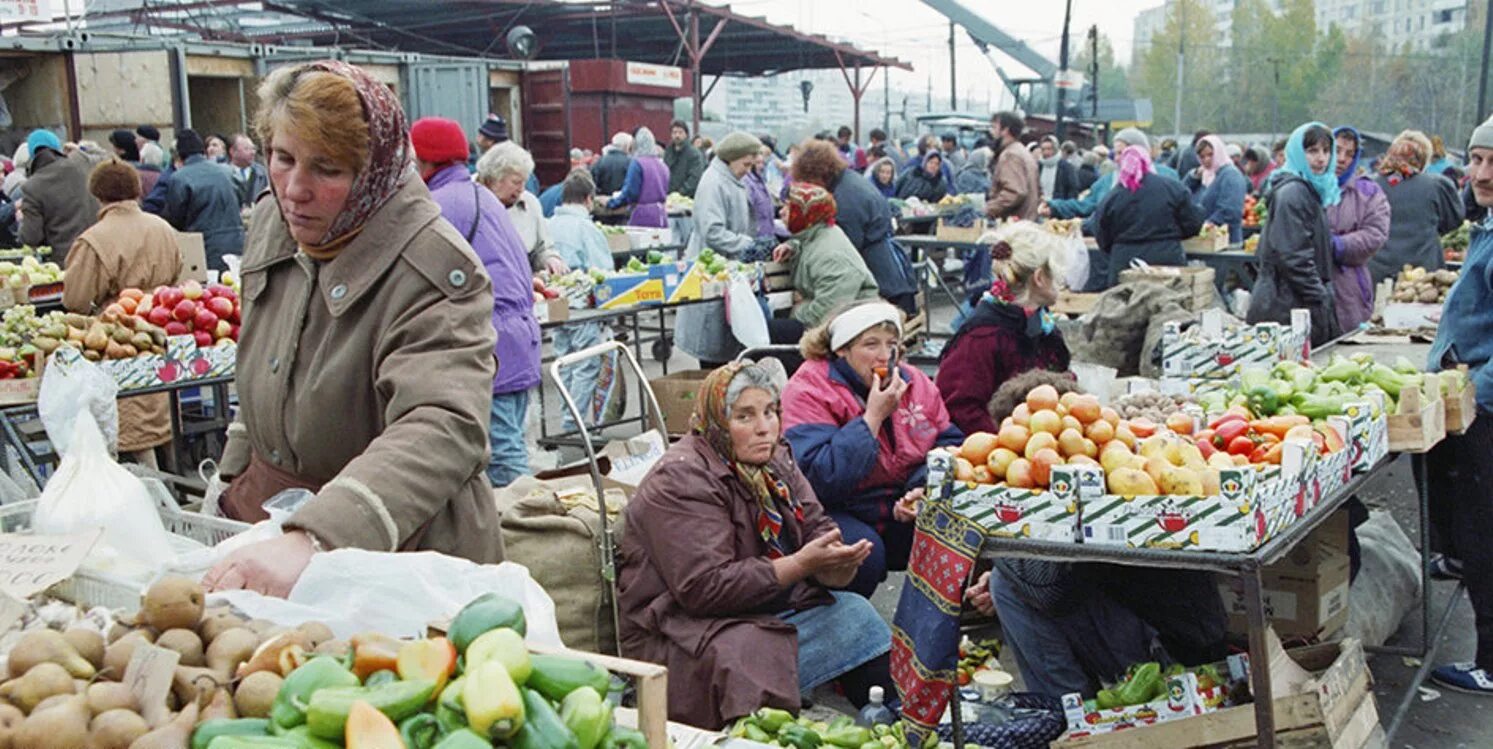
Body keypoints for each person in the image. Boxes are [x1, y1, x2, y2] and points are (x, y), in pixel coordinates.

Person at [204, 60, 503, 596]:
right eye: (283, 158)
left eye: (328, 169)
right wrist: (231, 480)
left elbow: (443, 424)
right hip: (272, 533)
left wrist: (318, 536)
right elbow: (268, 366)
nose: (295, 189)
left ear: (373, 173)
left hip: (402, 555)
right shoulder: (277, 223)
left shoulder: (433, 270)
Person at [619, 362, 892, 728]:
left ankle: (889, 719)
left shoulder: (774, 457)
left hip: (754, 607)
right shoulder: (680, 479)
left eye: (770, 412)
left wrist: (835, 565)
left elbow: (815, 524)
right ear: (717, 421)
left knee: (854, 613)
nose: (764, 428)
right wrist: (801, 564)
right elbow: (703, 588)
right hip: (683, 630)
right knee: (752, 655)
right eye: (744, 416)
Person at [780, 301, 962, 598]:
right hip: (834, 508)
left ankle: (943, 617)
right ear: (842, 349)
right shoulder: (809, 388)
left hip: (897, 502)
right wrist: (872, 418)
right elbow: (819, 478)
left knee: (962, 531)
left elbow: (949, 443)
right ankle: (835, 616)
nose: (884, 355)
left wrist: (920, 488)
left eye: (892, 344)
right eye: (871, 344)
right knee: (862, 555)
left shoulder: (914, 381)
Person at [412, 116, 539, 487]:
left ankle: (529, 520)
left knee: (503, 458)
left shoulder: (438, 205)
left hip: (491, 344)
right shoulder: (479, 196)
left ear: (422, 161)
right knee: (508, 445)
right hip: (517, 338)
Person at [1425, 115, 1493, 696]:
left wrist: (1473, 395)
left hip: (1485, 410)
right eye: (1476, 159)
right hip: (1473, 399)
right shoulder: (1487, 225)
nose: (1482, 173)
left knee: (1483, 532)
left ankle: (1490, 662)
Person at [62, 159, 182, 467]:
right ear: (136, 190)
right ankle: (178, 475)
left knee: (133, 416)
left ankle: (154, 484)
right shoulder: (163, 228)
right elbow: (179, 276)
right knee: (164, 406)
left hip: (122, 334)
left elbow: (75, 299)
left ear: (97, 194)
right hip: (163, 325)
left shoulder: (95, 239)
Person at [935, 222, 1072, 435]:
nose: (1062, 282)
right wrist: (1008, 440)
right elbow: (960, 407)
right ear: (1039, 278)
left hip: (1043, 439)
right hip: (1000, 447)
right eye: (1056, 274)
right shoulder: (982, 337)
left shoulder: (1041, 324)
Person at [677, 132, 778, 367]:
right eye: (746, 164)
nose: (748, 171)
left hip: (727, 269)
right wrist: (747, 244)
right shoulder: (713, 183)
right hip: (711, 269)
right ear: (732, 158)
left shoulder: (731, 180)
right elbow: (712, 231)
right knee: (712, 346)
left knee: (726, 346)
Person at [793, 140, 918, 315]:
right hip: (890, 267)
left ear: (817, 174)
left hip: (881, 275)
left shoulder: (845, 199)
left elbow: (847, 246)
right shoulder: (849, 180)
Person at [1247, 122, 1343, 346]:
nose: (1321, 159)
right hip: (1287, 305)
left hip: (1295, 299)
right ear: (1298, 153)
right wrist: (1319, 296)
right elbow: (1293, 256)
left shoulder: (1309, 189)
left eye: (1326, 151)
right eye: (1312, 151)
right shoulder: (1294, 193)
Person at [549, 170, 618, 429]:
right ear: (589, 199)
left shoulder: (548, 224)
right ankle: (573, 423)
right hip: (582, 306)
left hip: (554, 305)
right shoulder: (586, 228)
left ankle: (566, 419)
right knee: (586, 364)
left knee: (563, 362)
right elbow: (602, 272)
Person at [776, 182, 880, 346]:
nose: (781, 212)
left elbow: (826, 312)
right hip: (842, 323)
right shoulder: (819, 233)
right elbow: (808, 243)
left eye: (788, 208)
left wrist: (797, 309)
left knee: (768, 332)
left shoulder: (831, 257)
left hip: (852, 332)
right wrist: (793, 247)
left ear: (804, 214)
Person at [1091, 145, 1203, 288]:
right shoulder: (1172, 188)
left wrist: (1116, 247)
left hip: (1125, 261)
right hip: (1166, 257)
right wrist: (1174, 236)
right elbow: (1193, 222)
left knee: (1124, 300)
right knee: (1168, 299)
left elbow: (1101, 231)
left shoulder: (1112, 196)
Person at [1369, 130, 1464, 283]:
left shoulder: (1368, 185)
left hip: (1373, 276)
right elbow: (1454, 219)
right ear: (1424, 159)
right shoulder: (1437, 186)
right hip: (1422, 279)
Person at [1327, 126, 1391, 333]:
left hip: (1350, 287)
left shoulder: (1368, 192)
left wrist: (1338, 245)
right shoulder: (1306, 188)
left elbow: (1375, 234)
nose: (1342, 159)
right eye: (1337, 151)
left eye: (1349, 154)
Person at [477, 142, 568, 275]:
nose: (521, 189)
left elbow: (542, 249)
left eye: (524, 182)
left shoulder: (530, 203)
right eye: (516, 182)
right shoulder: (470, 203)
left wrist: (550, 259)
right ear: (493, 179)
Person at [160, 129, 245, 271]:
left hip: (203, 247)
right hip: (237, 242)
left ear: (179, 155)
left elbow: (175, 218)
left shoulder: (179, 178)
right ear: (203, 150)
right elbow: (241, 199)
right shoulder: (227, 172)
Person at [18, 129, 98, 265]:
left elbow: (31, 236)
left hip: (66, 259)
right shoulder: (83, 165)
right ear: (57, 147)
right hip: (98, 252)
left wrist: (21, 220)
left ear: (32, 154)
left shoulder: (32, 186)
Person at [1184, 134, 1249, 243]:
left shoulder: (1231, 175)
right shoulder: (1206, 175)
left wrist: (1206, 226)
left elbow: (1230, 212)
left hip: (1226, 242)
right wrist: (1193, 177)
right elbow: (1182, 192)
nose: (1206, 160)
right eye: (1202, 157)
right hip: (1207, 241)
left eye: (1210, 155)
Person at [603, 127, 671, 229]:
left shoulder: (637, 164)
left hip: (641, 216)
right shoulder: (662, 165)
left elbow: (630, 193)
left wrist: (611, 203)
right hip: (660, 214)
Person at [986, 111, 1040, 221]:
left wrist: (988, 208)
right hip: (1026, 221)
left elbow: (1015, 192)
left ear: (1005, 130)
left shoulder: (1010, 155)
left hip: (1014, 224)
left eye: (994, 127)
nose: (991, 132)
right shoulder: (1023, 152)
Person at [474, 113, 539, 194]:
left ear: (490, 141)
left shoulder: (516, 166)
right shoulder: (518, 163)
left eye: (480, 135)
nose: (477, 139)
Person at [107, 129, 160, 197]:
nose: (112, 149)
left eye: (114, 146)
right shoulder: (153, 170)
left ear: (122, 150)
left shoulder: (125, 173)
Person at [664, 120, 706, 197]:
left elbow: (695, 177)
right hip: (669, 196)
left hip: (687, 198)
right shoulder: (668, 152)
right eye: (674, 132)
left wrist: (680, 193)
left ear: (686, 134)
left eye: (680, 132)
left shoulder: (694, 154)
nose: (677, 135)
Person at [228, 133, 269, 208]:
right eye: (246, 149)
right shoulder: (224, 176)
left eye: (253, 148)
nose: (253, 152)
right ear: (232, 151)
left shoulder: (263, 173)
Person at [745, 146, 777, 239]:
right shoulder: (746, 182)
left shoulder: (760, 180)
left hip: (767, 233)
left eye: (763, 163)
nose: (761, 166)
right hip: (757, 234)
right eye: (758, 163)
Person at [1037, 135, 1079, 200]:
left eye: (1049, 149)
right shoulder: (1038, 166)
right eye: (1043, 149)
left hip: (1058, 203)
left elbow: (1073, 190)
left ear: (1055, 149)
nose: (1046, 152)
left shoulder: (1066, 167)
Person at [591, 132, 633, 196]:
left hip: (604, 199)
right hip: (624, 198)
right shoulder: (630, 162)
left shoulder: (600, 161)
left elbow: (593, 183)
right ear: (626, 145)